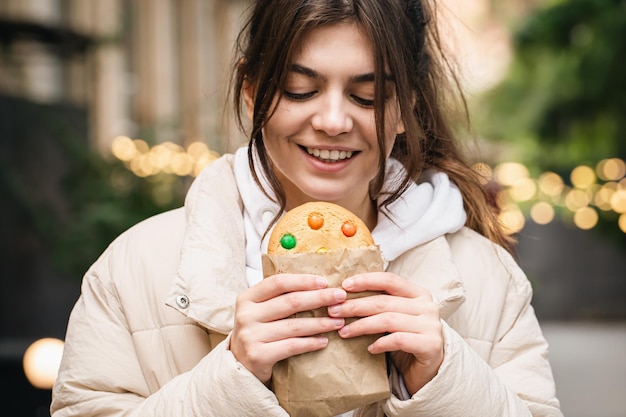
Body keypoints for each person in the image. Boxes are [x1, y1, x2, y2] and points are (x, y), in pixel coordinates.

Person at [51, 0, 563, 416]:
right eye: (301, 89)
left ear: (405, 107)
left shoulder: (487, 279)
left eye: (367, 96)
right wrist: (228, 382)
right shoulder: (137, 267)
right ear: (253, 91)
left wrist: (445, 381)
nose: (334, 120)